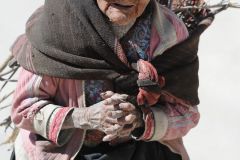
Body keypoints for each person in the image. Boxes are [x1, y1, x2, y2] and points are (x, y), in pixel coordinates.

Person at [10, 0, 213, 159]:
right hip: (61, 151)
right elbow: (23, 110)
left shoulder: (168, 33)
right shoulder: (56, 25)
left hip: (140, 150)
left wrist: (140, 119)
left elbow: (186, 114)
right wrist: (86, 116)